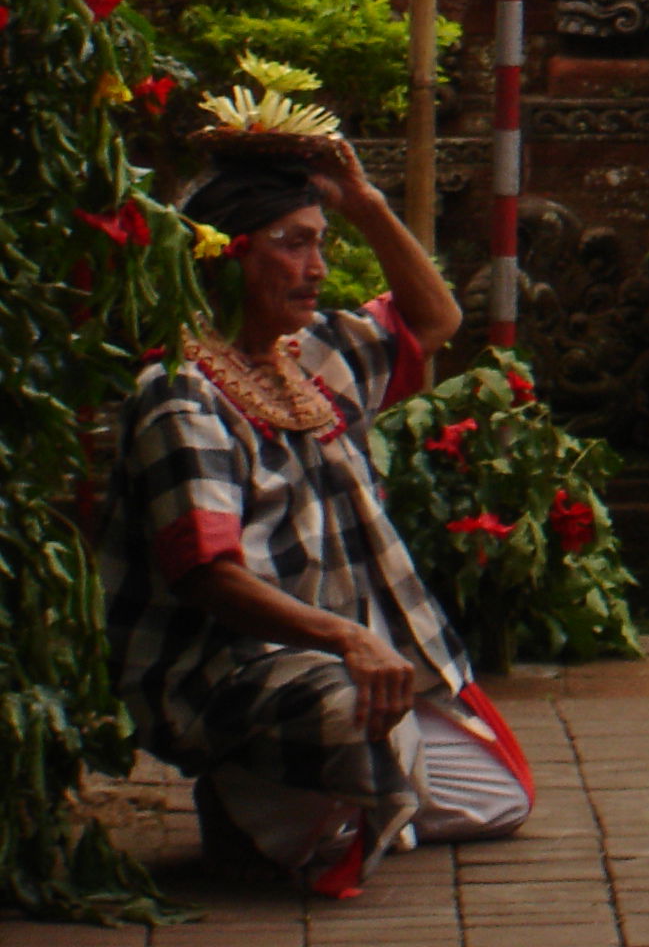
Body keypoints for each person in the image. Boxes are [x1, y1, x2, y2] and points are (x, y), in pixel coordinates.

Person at [102, 134, 533, 898]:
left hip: (347, 657)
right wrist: (348, 639)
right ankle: (248, 798)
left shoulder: (307, 355)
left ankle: (341, 797)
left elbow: (435, 319)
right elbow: (205, 573)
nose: (318, 269)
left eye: (320, 244)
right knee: (353, 727)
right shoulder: (180, 390)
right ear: (226, 254)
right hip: (237, 667)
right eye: (294, 244)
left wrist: (364, 204)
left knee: (500, 800)